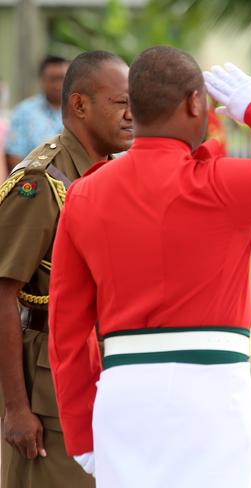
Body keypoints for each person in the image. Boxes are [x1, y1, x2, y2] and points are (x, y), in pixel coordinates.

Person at [47, 45, 251, 488]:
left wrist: (79, 433)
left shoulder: (85, 194)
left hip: (124, 393)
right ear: (195, 104)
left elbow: (67, 329)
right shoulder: (224, 183)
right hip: (212, 391)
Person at [0, 50, 132, 488]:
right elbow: (3, 293)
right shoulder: (41, 182)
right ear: (79, 105)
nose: (133, 115)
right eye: (121, 103)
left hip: (102, 372)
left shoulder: (107, 174)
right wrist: (16, 409)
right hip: (47, 389)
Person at [5, 56, 69, 169]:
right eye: (53, 79)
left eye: (63, 79)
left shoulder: (79, 111)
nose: (58, 85)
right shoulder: (24, 112)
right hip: (34, 181)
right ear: (41, 79)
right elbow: (13, 155)